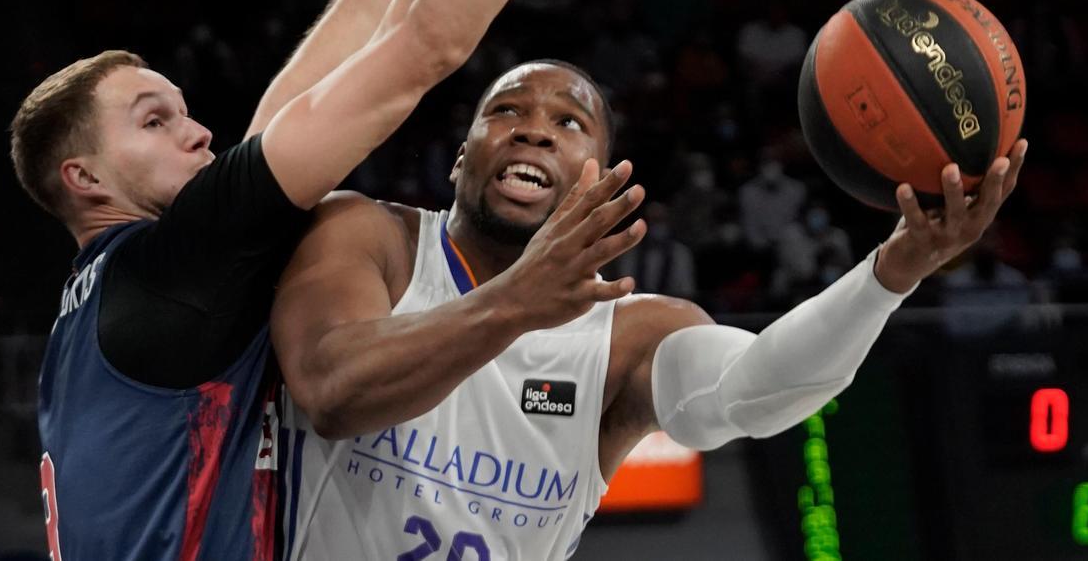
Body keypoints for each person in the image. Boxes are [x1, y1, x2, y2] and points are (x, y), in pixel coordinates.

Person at [9, 0, 575, 556]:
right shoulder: (175, 265)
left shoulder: (113, 302)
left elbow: (293, 108)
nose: (197, 133)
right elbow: (424, 50)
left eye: (184, 111)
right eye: (154, 121)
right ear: (86, 178)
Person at [269, 60, 1027, 560]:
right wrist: (515, 302)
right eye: (506, 110)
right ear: (462, 156)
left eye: (570, 122)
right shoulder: (371, 236)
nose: (535, 125)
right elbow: (335, 393)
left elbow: (754, 393)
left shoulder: (629, 334)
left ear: (601, 177)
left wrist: (886, 275)